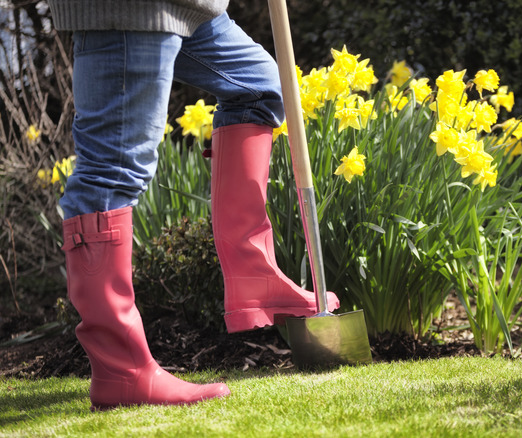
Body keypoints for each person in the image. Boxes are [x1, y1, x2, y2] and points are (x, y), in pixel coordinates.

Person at [47, 0, 340, 410]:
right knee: (111, 171)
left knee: (257, 88)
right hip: (133, 9)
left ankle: (255, 278)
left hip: (189, 5)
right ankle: (122, 370)